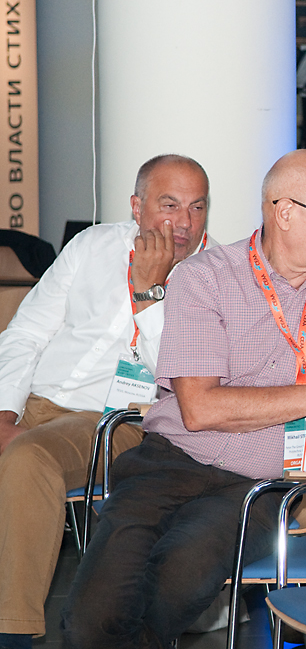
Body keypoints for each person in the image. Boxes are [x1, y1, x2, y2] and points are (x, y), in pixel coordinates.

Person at [60, 150, 306, 649]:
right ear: (285, 212)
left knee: (178, 577)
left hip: (262, 483)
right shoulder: (206, 277)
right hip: (168, 463)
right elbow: (200, 409)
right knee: (91, 616)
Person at [0, 154, 211, 649]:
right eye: (170, 205)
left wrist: (149, 290)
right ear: (137, 207)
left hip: (119, 422)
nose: (184, 222)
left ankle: (10, 632)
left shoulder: (214, 275)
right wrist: (4, 413)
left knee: (29, 457)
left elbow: (177, 376)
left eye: (197, 207)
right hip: (34, 402)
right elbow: (26, 332)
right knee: (23, 447)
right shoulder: (93, 244)